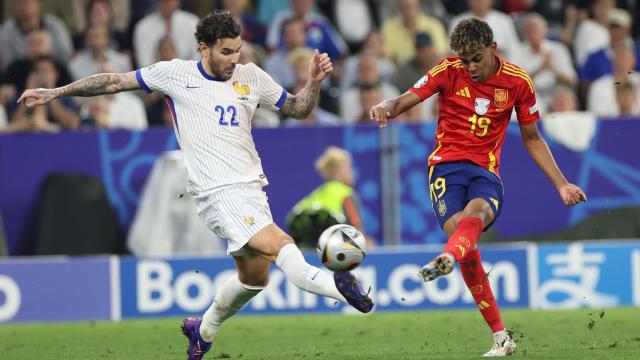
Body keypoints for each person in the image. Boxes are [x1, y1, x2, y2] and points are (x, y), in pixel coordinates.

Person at [17, 10, 373, 360]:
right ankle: (341, 287)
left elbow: (298, 109)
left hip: (251, 190)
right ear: (203, 47)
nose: (235, 59)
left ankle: (202, 331)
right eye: (225, 52)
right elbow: (113, 81)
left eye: (237, 50)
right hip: (216, 194)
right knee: (283, 245)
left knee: (254, 279)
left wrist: (313, 83)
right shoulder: (175, 74)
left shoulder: (252, 75)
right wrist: (56, 92)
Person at [369, 18, 587, 357]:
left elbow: (532, 138)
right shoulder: (447, 69)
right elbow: (407, 98)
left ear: (492, 49)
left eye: (476, 59)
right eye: (465, 59)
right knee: (465, 239)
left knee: (478, 213)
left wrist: (561, 184)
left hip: (485, 171)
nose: (470, 67)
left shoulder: (517, 82)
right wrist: (386, 106)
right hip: (445, 169)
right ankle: (501, 338)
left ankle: (447, 257)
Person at [287, 146, 367, 250]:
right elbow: (356, 230)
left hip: (307, 252)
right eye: (349, 167)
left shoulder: (316, 194)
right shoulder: (347, 193)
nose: (352, 172)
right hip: (336, 253)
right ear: (340, 170)